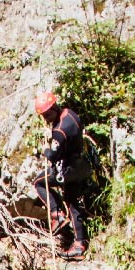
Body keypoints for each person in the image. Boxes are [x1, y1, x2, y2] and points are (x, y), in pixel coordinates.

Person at [32, 91, 89, 258]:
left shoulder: (59, 131)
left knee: (39, 183)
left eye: (46, 115)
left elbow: (53, 155)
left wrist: (46, 150)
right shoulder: (70, 114)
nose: (45, 119)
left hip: (67, 169)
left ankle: (57, 214)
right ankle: (79, 243)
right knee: (72, 202)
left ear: (52, 110)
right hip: (80, 166)